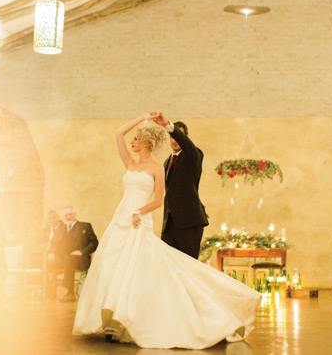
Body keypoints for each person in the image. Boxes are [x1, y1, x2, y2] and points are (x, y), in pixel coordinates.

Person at [73, 114, 261, 349]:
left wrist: (141, 211)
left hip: (162, 221)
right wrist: (142, 118)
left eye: (136, 139)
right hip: (129, 221)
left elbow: (160, 198)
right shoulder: (145, 164)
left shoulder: (189, 156)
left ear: (146, 142)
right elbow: (118, 134)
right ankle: (114, 318)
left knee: (181, 270)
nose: (132, 142)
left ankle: (200, 316)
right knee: (124, 266)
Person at [150, 112, 208, 259]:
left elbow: (187, 146)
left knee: (188, 267)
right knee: (166, 265)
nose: (174, 140)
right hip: (169, 223)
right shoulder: (166, 162)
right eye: (171, 137)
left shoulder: (193, 155)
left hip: (189, 223)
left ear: (186, 138)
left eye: (177, 136)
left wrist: (167, 126)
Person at [50, 206, 98, 302]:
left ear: (74, 215)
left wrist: (81, 252)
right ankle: (49, 293)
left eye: (70, 214)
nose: (68, 217)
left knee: (68, 259)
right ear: (64, 217)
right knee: (48, 262)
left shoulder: (85, 226)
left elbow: (94, 243)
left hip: (81, 260)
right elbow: (54, 243)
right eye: (66, 215)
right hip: (65, 259)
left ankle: (70, 293)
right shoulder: (61, 229)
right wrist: (51, 253)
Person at [44, 210, 62, 299]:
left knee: (48, 264)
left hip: (59, 256)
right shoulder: (45, 230)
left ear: (58, 217)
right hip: (46, 256)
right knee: (34, 262)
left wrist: (52, 252)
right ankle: (46, 291)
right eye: (49, 219)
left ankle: (50, 293)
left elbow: (63, 245)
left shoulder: (64, 229)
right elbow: (41, 241)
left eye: (54, 218)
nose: (52, 221)